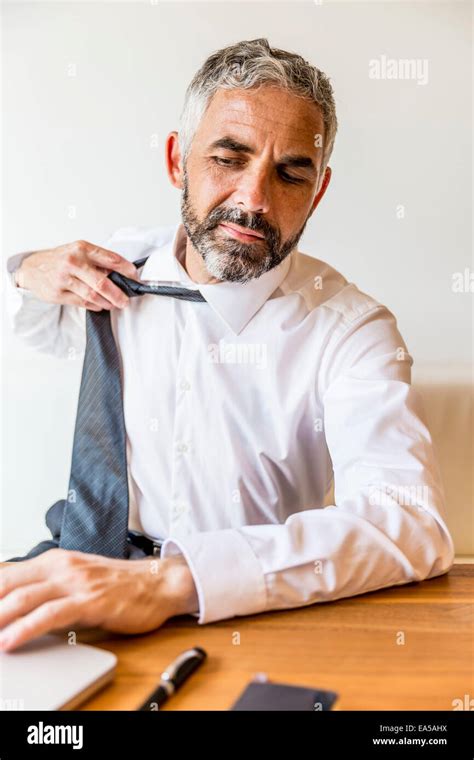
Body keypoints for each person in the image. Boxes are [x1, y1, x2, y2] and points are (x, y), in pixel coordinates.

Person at [0, 38, 454, 653]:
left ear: (318, 192)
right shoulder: (111, 270)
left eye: (290, 172)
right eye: (228, 157)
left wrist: (170, 583)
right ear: (176, 162)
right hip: (70, 575)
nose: (253, 199)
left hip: (250, 618)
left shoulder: (352, 331)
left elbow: (409, 525)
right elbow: (27, 323)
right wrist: (24, 269)